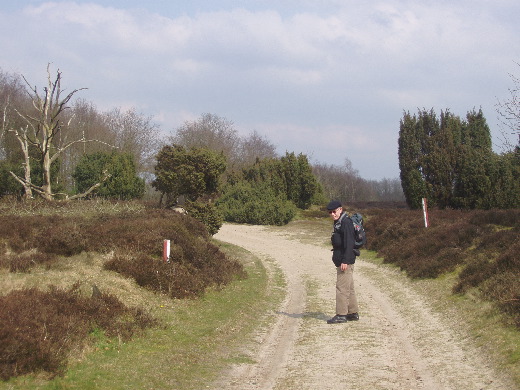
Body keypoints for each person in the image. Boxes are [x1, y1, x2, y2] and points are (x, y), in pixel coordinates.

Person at [326, 200, 359, 324]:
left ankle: (341, 314)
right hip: (343, 260)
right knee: (349, 288)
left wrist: (345, 260)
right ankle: (352, 313)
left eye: (334, 211)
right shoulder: (339, 222)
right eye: (330, 212)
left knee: (341, 288)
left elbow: (349, 243)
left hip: (345, 261)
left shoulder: (345, 222)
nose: (332, 214)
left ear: (340, 209)